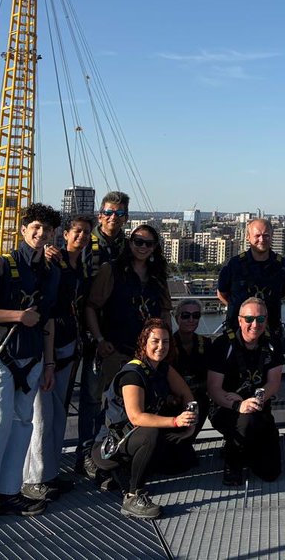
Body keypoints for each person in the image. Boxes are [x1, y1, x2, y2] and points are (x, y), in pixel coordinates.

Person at [0, 203, 62, 528]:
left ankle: (7, 492)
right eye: (35, 227)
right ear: (23, 230)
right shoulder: (3, 266)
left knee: (22, 426)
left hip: (31, 360)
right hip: (1, 357)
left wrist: (49, 363)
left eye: (47, 229)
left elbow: (47, 322)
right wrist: (17, 316)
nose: (41, 234)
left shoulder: (49, 273)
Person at [92, 318, 198, 519]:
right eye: (155, 341)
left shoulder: (163, 369)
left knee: (185, 461)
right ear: (144, 343)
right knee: (152, 432)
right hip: (110, 446)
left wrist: (190, 425)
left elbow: (188, 396)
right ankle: (133, 495)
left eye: (165, 341)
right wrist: (176, 422)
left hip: (134, 438)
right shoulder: (133, 373)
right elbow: (137, 417)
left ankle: (130, 471)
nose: (161, 346)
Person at [22, 213, 91, 501]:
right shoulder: (54, 260)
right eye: (76, 232)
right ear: (65, 234)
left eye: (86, 233)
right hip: (50, 345)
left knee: (59, 413)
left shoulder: (82, 266)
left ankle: (49, 473)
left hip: (70, 345)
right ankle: (33, 477)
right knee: (42, 414)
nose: (81, 237)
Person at [85, 224, 173, 410]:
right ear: (129, 243)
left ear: (155, 247)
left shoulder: (157, 275)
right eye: (138, 242)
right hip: (117, 351)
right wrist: (100, 339)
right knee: (112, 405)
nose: (143, 247)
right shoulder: (111, 270)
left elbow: (165, 311)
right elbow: (91, 306)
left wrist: (166, 345)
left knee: (148, 404)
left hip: (150, 355)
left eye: (148, 244)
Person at [76, 191, 131, 469]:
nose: (113, 218)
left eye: (119, 214)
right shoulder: (87, 242)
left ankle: (108, 451)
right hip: (89, 331)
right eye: (109, 212)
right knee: (92, 397)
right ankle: (87, 453)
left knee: (116, 395)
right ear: (101, 214)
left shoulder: (127, 246)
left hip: (118, 330)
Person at [206, 297, 285, 486]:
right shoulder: (223, 344)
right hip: (226, 408)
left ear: (266, 320)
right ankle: (232, 463)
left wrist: (256, 399)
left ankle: (245, 450)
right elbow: (213, 388)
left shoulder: (271, 343)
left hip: (258, 408)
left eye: (260, 319)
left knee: (270, 473)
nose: (254, 324)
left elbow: (274, 382)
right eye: (249, 319)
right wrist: (238, 404)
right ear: (240, 320)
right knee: (245, 420)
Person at [216, 218, 285, 347]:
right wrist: (239, 309)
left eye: (266, 235)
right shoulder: (234, 265)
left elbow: (284, 291)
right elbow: (221, 293)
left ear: (272, 236)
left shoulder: (283, 266)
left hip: (271, 331)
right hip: (237, 332)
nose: (262, 239)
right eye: (257, 235)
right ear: (248, 237)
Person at [170, 298, 212, 446]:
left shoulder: (206, 344)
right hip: (174, 399)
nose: (191, 319)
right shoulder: (167, 345)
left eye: (196, 315)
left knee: (202, 402)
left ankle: (189, 440)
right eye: (186, 315)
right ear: (177, 318)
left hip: (198, 398)